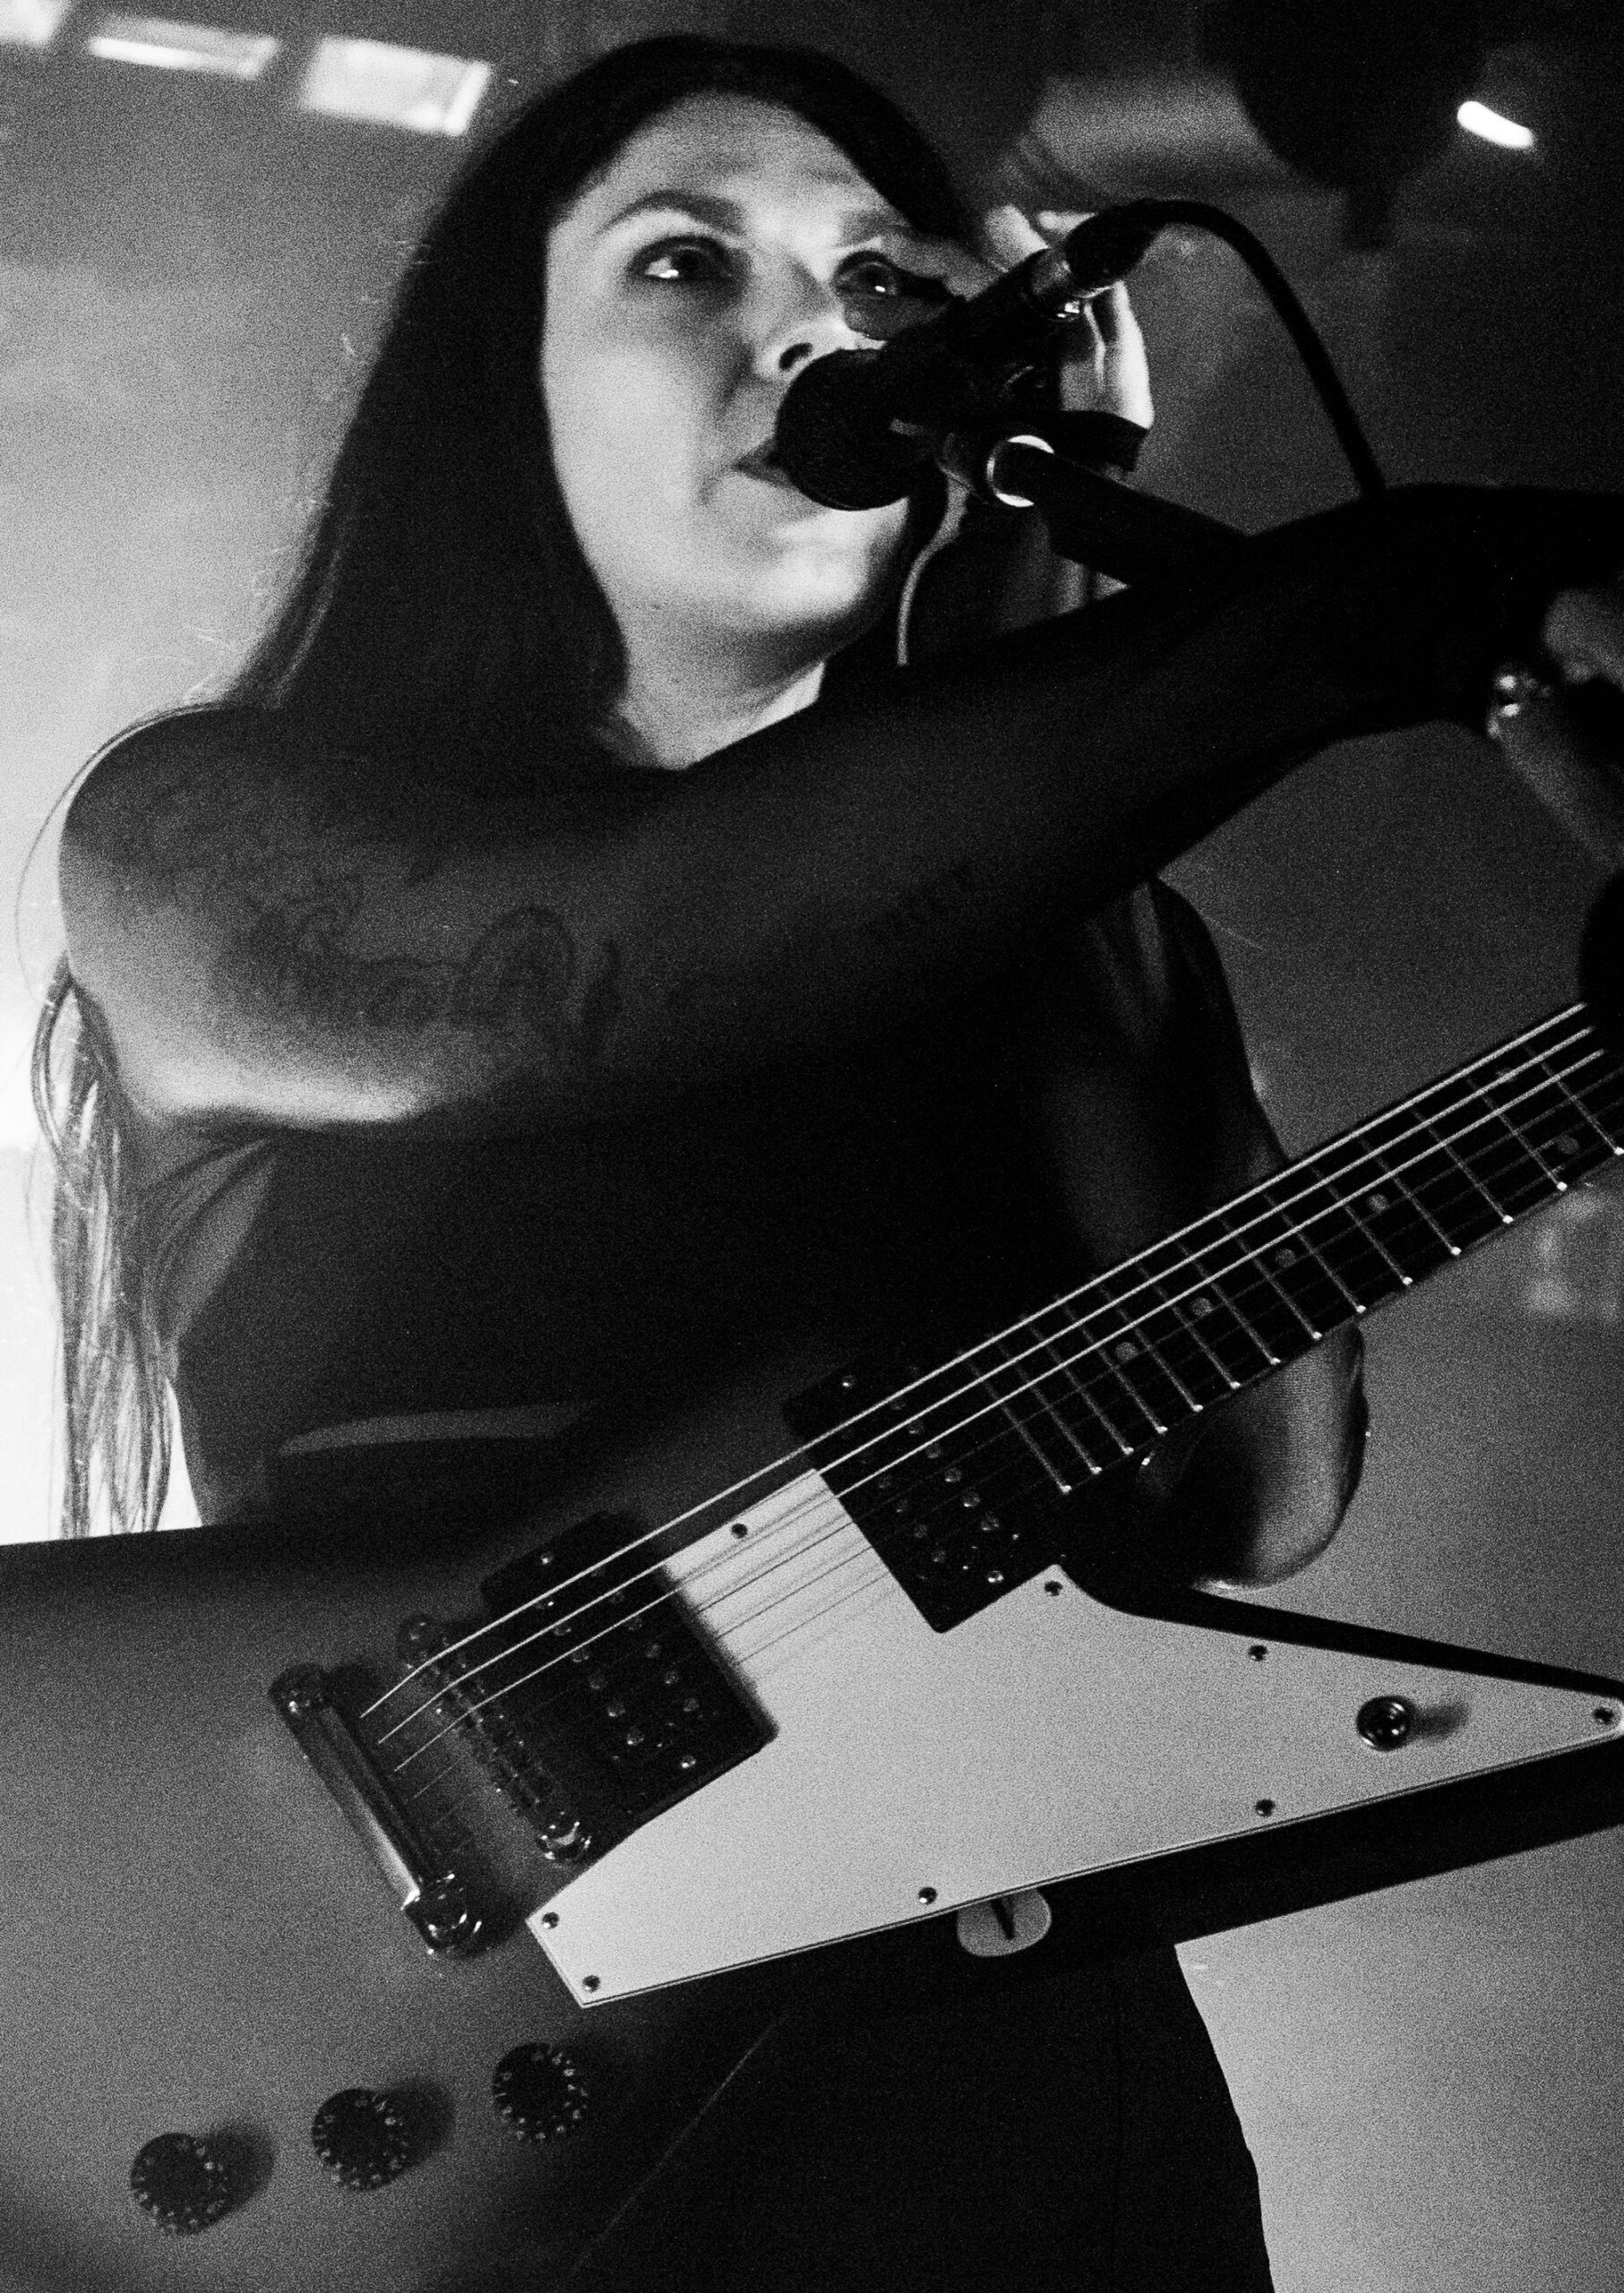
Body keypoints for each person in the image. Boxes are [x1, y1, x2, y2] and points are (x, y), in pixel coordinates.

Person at [34, 33, 1624, 2291]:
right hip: (459, 2122)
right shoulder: (208, 836)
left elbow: (1252, 1492)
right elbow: (583, 970)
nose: (809, 330)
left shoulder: (1075, 937)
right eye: (684, 261)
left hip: (1009, 2089)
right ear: (500, 390)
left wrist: (1054, 696)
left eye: (879, 277)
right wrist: (1411, 593)